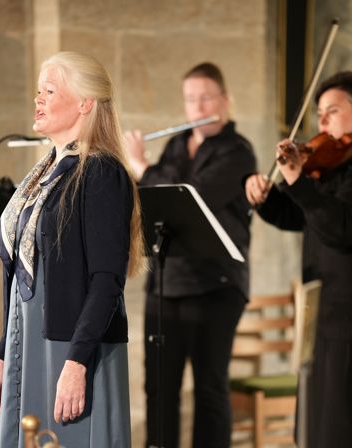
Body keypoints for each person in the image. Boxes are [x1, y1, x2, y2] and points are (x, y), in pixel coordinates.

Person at [0, 51, 147, 448]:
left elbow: (107, 280)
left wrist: (76, 363)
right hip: (27, 340)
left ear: (85, 104)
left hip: (71, 346)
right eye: (39, 91)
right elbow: (19, 277)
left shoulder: (101, 173)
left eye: (50, 91)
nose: (37, 99)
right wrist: (3, 355)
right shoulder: (43, 173)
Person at [245, 71, 352, 447]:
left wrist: (299, 182)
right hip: (326, 320)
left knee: (348, 435)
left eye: (332, 111)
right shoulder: (331, 169)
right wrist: (265, 197)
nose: (322, 122)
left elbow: (343, 228)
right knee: (319, 433)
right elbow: (298, 216)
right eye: (319, 114)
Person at [124, 62, 257, 448]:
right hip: (166, 284)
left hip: (216, 286)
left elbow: (193, 196)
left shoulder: (237, 152)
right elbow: (153, 203)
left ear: (225, 101)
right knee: (158, 389)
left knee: (209, 389)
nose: (197, 108)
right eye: (190, 99)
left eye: (206, 98)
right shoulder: (175, 146)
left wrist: (143, 166)